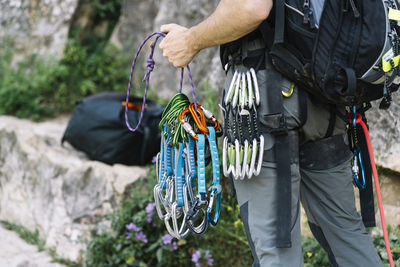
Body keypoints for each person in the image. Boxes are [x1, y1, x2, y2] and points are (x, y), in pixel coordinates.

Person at [159, 0, 383, 266]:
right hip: (326, 98)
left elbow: (251, 8)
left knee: (276, 252)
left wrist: (190, 40)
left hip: (265, 103)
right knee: (346, 235)